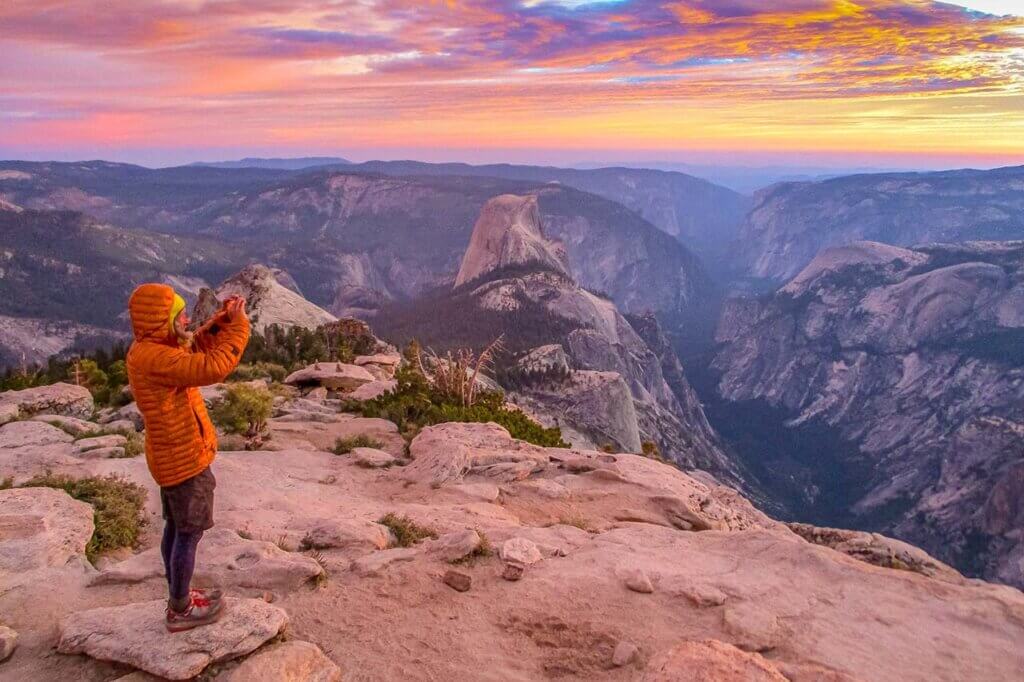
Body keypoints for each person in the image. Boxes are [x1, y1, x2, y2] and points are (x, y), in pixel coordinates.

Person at [125, 284, 249, 631]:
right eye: (179, 316)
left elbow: (195, 345)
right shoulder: (157, 358)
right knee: (189, 533)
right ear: (161, 321)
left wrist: (224, 320)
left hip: (171, 455)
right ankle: (180, 609)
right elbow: (213, 367)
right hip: (184, 459)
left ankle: (178, 594)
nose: (186, 319)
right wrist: (240, 328)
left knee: (176, 527)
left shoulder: (152, 348)